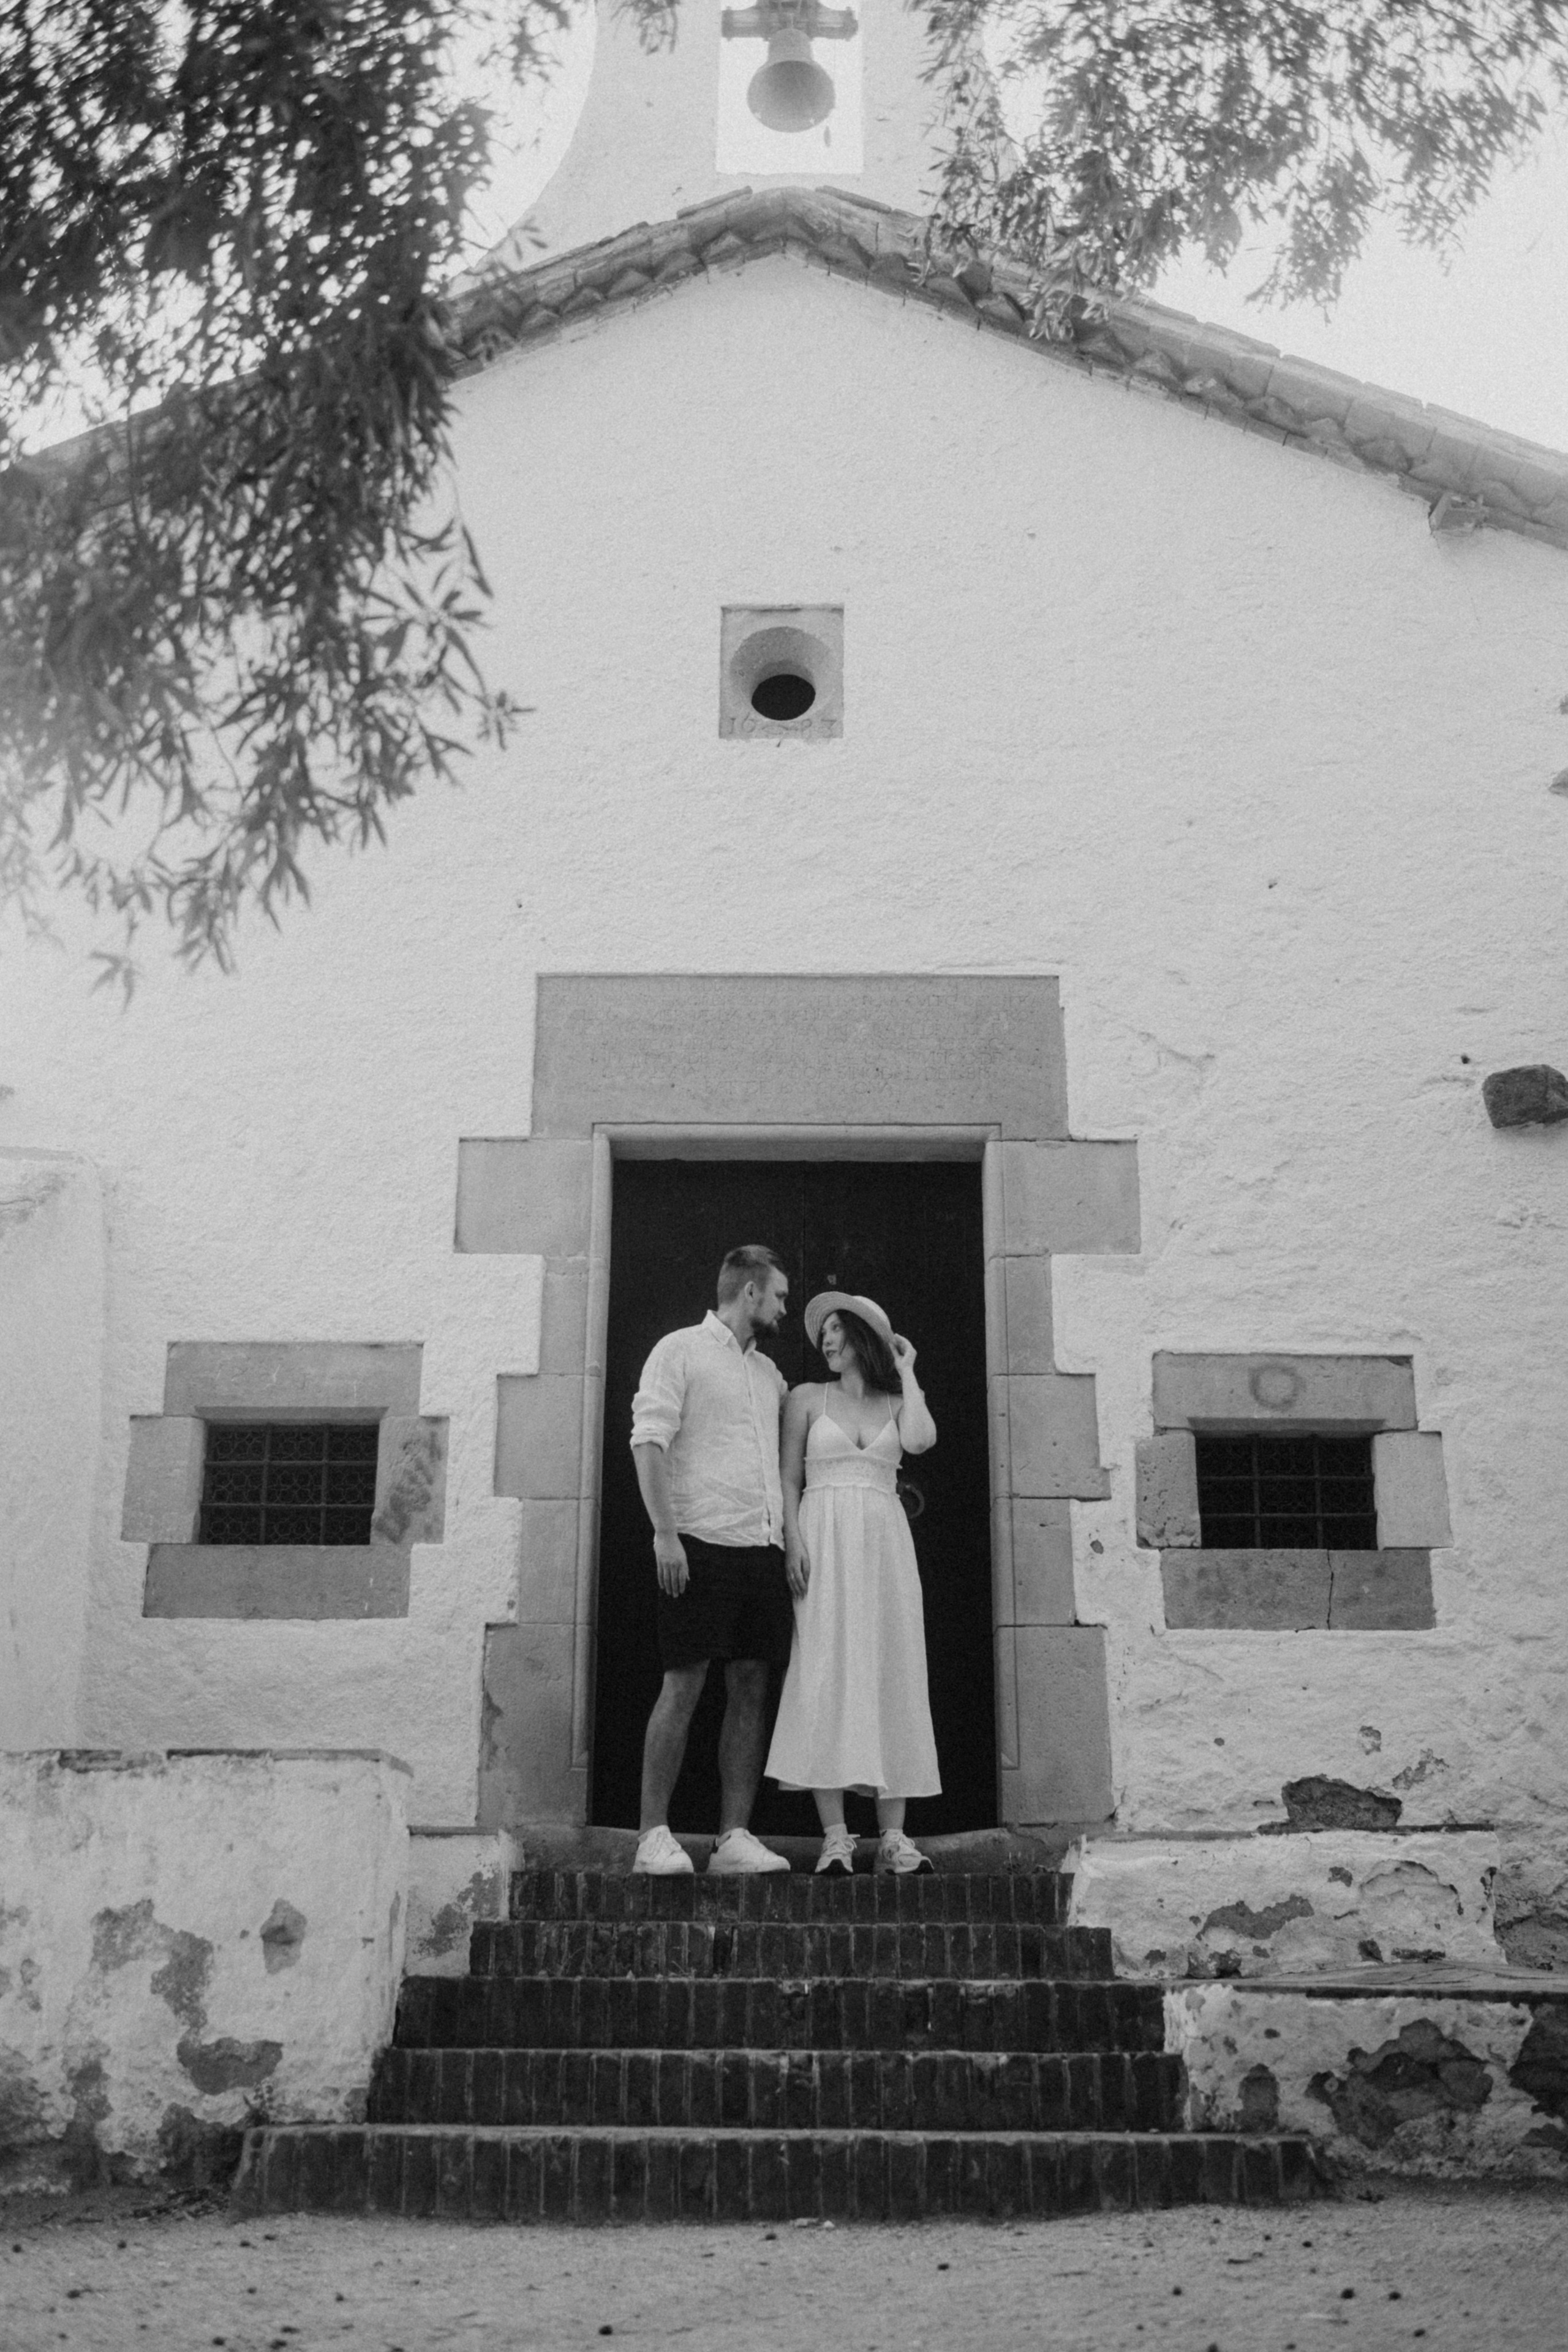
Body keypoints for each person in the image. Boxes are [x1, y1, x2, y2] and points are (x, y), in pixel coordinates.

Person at [628, 1244, 795, 1876]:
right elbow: (648, 1442)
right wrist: (664, 1533)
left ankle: (733, 1839)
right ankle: (651, 1837)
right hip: (695, 1544)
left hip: (762, 1549)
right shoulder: (679, 1350)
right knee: (683, 1682)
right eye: (778, 1295)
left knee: (751, 1687)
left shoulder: (768, 1375)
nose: (784, 1306)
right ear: (750, 1292)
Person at [765, 1290, 941, 1875]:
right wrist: (793, 1540)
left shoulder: (895, 1404)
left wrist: (909, 1372)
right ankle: (836, 1836)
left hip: (885, 1548)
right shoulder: (806, 1399)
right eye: (823, 1334)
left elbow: (920, 1440)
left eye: (838, 1330)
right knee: (825, 1669)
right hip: (823, 1543)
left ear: (865, 1336)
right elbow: (789, 1480)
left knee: (892, 1668)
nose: (827, 1341)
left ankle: (893, 1837)